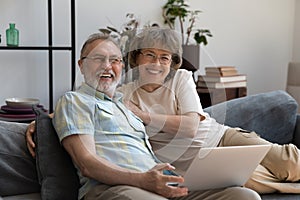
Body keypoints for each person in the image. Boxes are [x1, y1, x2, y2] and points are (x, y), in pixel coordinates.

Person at [50, 33, 261, 200]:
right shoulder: (74, 101)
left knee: (243, 195)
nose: (107, 66)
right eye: (98, 59)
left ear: (122, 67)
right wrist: (143, 180)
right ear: (81, 65)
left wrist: (159, 178)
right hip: (115, 188)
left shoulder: (126, 104)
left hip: (159, 183)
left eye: (114, 60)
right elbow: (87, 162)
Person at [115, 27, 300, 194]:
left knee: (288, 161)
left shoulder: (180, 78)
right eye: (149, 54)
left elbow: (190, 127)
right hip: (195, 164)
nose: (156, 63)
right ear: (136, 57)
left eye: (164, 57)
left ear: (172, 62)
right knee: (249, 180)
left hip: (223, 137)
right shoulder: (123, 96)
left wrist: (144, 116)